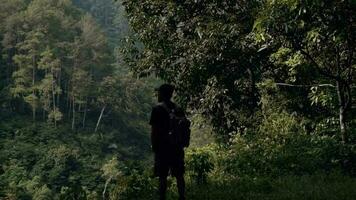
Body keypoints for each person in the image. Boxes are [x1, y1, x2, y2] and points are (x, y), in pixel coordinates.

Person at [149, 84, 186, 200]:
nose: (157, 95)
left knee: (162, 176)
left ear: (162, 94)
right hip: (177, 147)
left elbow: (154, 130)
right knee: (179, 175)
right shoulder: (178, 109)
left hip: (162, 148)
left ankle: (162, 198)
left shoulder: (157, 109)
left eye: (159, 92)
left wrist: (154, 146)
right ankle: (182, 196)